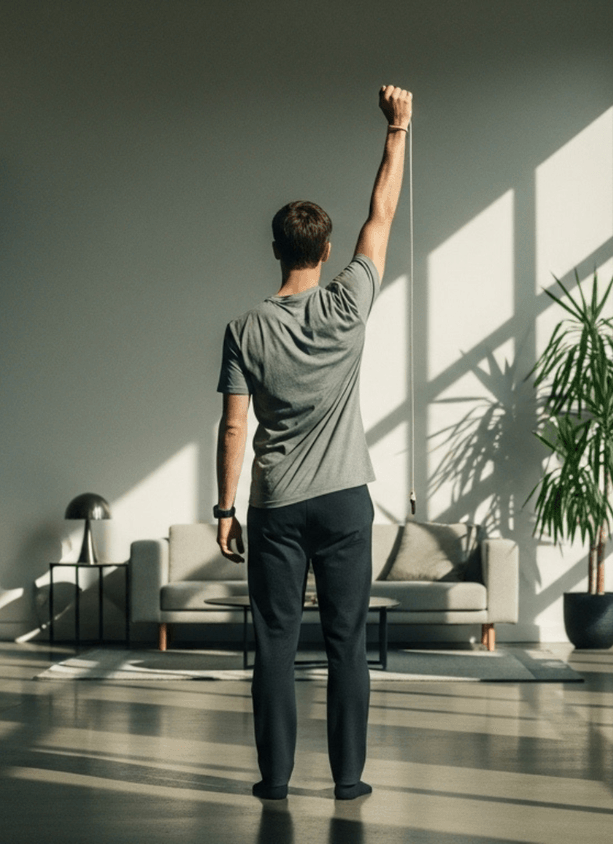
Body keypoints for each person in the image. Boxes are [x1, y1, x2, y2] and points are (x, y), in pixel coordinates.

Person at [214, 85, 412, 801]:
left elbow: (235, 425)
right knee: (345, 642)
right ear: (327, 251)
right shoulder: (348, 302)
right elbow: (381, 212)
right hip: (343, 506)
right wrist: (397, 128)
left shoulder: (244, 329)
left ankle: (273, 782)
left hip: (275, 507)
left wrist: (223, 509)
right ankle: (349, 781)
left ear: (275, 250)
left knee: (273, 643)